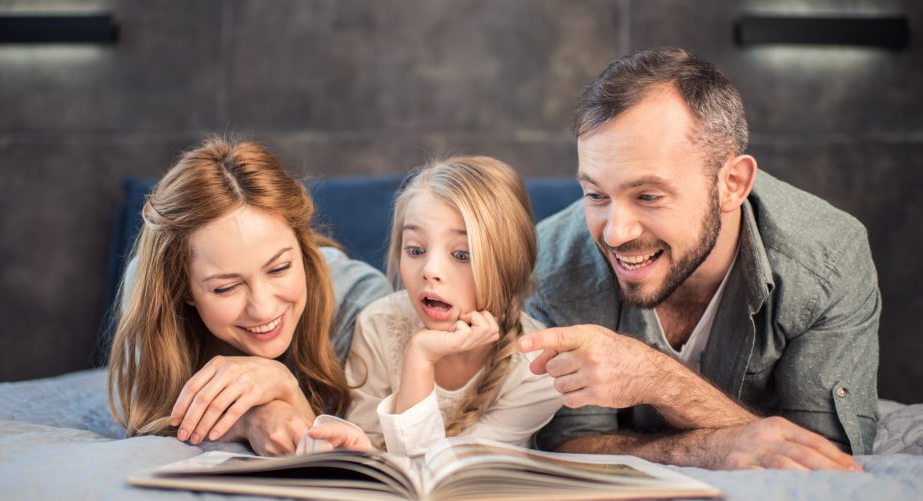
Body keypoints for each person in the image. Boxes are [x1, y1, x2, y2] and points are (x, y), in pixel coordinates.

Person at [518, 47, 879, 471]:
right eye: (596, 195)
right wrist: (707, 448)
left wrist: (657, 378)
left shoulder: (827, 258)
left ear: (732, 184)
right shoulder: (553, 265)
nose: (614, 233)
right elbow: (570, 446)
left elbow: (824, 463)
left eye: (648, 196)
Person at [107, 137, 389, 456]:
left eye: (280, 268)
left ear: (303, 244)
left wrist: (285, 387)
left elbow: (365, 463)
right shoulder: (149, 289)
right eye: (226, 287)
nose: (263, 308)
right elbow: (148, 413)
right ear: (182, 288)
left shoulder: (361, 300)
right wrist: (251, 418)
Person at [305, 156, 563, 457]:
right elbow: (367, 448)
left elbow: (441, 471)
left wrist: (420, 358)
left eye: (462, 255)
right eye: (415, 250)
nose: (430, 270)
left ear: (509, 264)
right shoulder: (378, 324)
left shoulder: (538, 367)